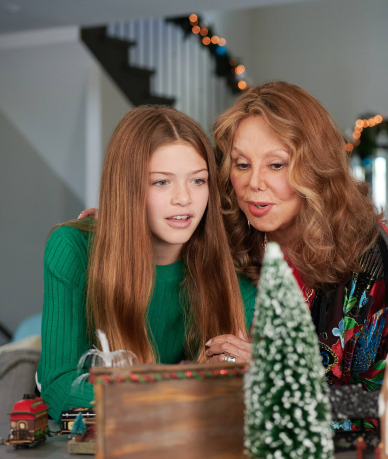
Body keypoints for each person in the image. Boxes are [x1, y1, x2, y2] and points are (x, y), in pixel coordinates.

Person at [40, 106, 256, 421]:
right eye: (161, 182)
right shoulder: (72, 248)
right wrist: (185, 390)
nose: (184, 198)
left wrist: (246, 371)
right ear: (127, 189)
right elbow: (59, 387)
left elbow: (236, 391)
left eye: (198, 180)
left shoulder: (231, 269)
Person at [207, 81, 388, 390]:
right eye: (242, 164)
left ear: (315, 167)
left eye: (276, 165)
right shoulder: (228, 235)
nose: (253, 182)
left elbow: (381, 396)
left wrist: (273, 374)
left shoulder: (368, 250)